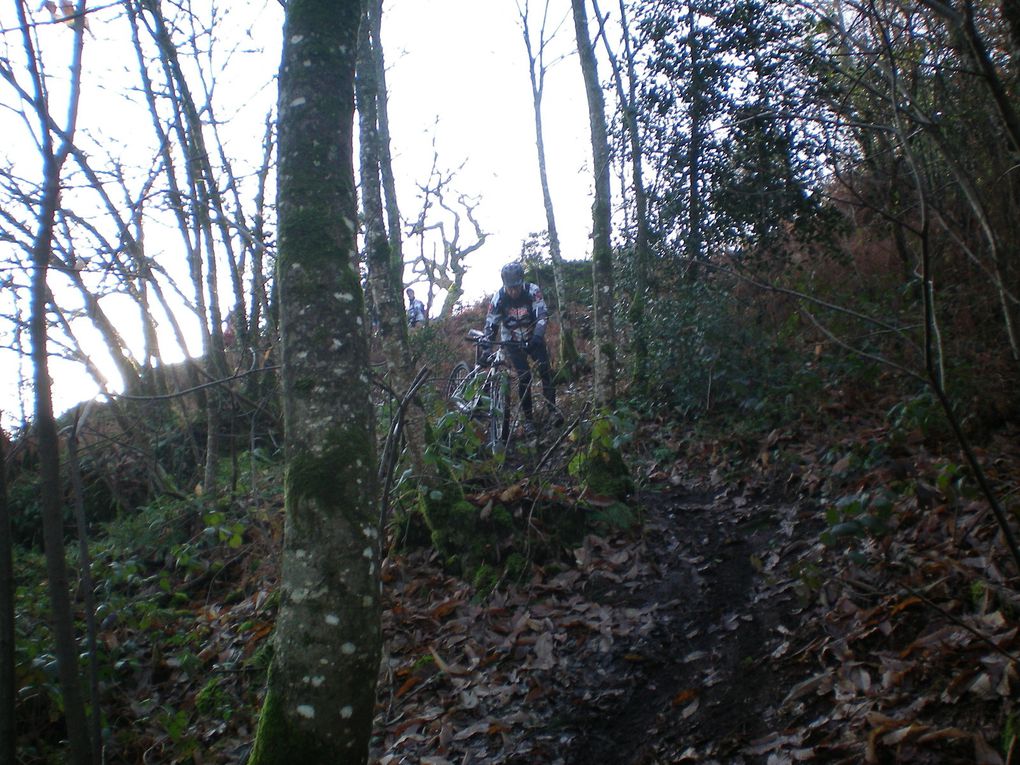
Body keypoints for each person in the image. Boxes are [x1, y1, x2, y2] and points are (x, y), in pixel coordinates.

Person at [483, 261, 563, 434]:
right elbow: (491, 324)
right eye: (510, 288)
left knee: (545, 370)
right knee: (525, 376)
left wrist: (537, 336)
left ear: (522, 282)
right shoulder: (499, 297)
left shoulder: (532, 291)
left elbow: (542, 315)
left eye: (516, 287)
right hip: (511, 341)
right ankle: (528, 420)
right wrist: (487, 347)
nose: (513, 291)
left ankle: (552, 411)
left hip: (533, 337)